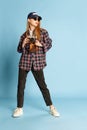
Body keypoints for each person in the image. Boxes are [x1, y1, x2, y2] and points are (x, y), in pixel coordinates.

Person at [12, 12, 60, 118]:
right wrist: (23, 43)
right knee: (21, 86)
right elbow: (19, 50)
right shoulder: (24, 35)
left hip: (37, 63)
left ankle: (51, 107)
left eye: (38, 19)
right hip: (25, 62)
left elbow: (49, 43)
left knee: (43, 86)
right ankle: (19, 108)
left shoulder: (43, 32)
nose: (37, 21)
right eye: (34, 19)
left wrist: (40, 44)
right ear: (29, 20)